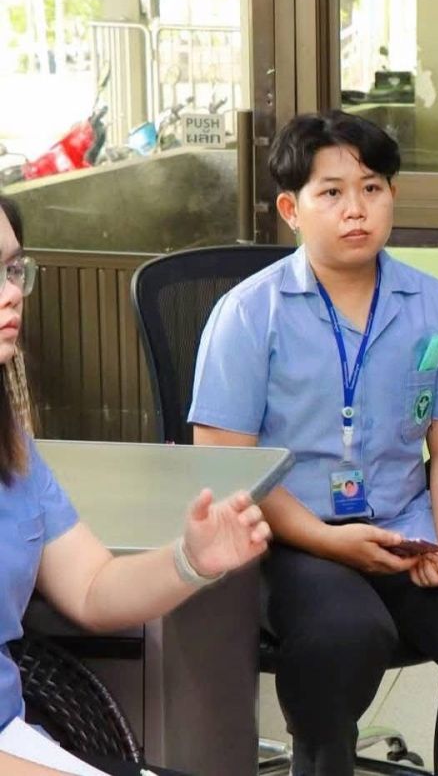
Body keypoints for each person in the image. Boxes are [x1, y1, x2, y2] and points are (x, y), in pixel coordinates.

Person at [189, 110, 438, 776]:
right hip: (289, 540)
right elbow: (228, 464)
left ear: (392, 196)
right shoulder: (250, 314)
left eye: (372, 188)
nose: (356, 209)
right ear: (291, 209)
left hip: (407, 530)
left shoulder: (431, 304)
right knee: (347, 632)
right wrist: (328, 542)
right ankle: (320, 760)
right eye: (331, 192)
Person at [0, 195, 272, 775]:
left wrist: (189, 562)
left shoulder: (12, 449)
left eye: (13, 268)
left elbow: (91, 588)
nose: (12, 292)